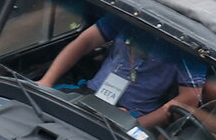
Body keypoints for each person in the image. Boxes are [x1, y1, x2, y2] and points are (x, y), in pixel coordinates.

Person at [36, 13, 205, 129]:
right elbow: (85, 42)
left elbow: (189, 98)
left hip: (131, 114)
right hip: (88, 94)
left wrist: (136, 125)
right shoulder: (128, 16)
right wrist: (47, 81)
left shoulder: (185, 43)